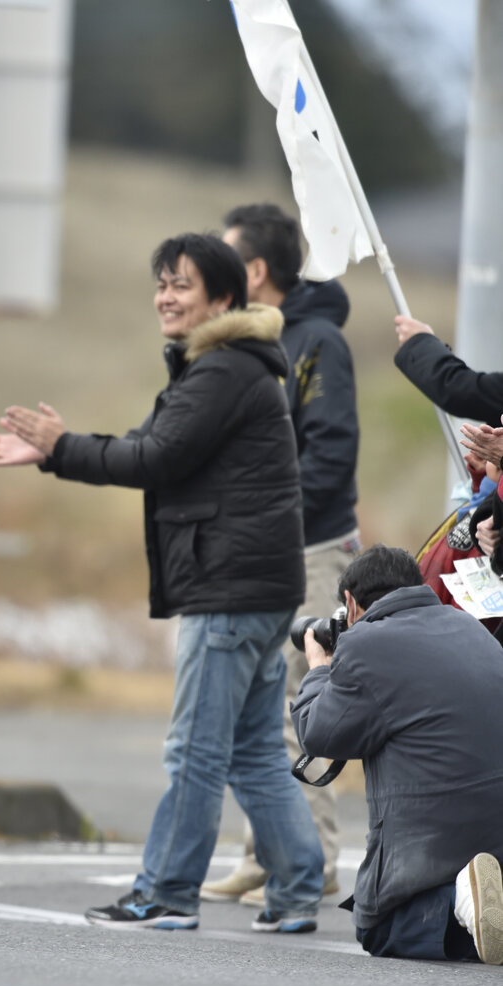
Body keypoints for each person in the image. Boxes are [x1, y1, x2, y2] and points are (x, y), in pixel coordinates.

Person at [0, 232, 324, 932]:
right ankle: (297, 889)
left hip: (228, 590)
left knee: (194, 748)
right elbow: (147, 446)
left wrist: (59, 450)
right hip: (257, 586)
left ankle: (165, 892)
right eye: (161, 283)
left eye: (182, 284)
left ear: (223, 299)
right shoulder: (225, 368)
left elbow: (156, 457)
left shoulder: (224, 371)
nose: (166, 296)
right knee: (253, 750)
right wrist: (57, 454)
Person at [203, 204, 359, 905]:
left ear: (257, 270)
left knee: (305, 696)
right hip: (260, 546)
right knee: (258, 701)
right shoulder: (252, 339)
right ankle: (266, 852)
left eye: (228, 259)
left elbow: (330, 450)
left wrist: (274, 519)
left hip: (312, 547)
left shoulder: (318, 341)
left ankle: (316, 858)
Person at [290, 544, 503, 964]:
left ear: (350, 603)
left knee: (378, 928)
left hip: (438, 844)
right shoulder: (470, 627)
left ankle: (458, 901)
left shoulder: (366, 645)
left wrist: (318, 668)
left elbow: (318, 734)